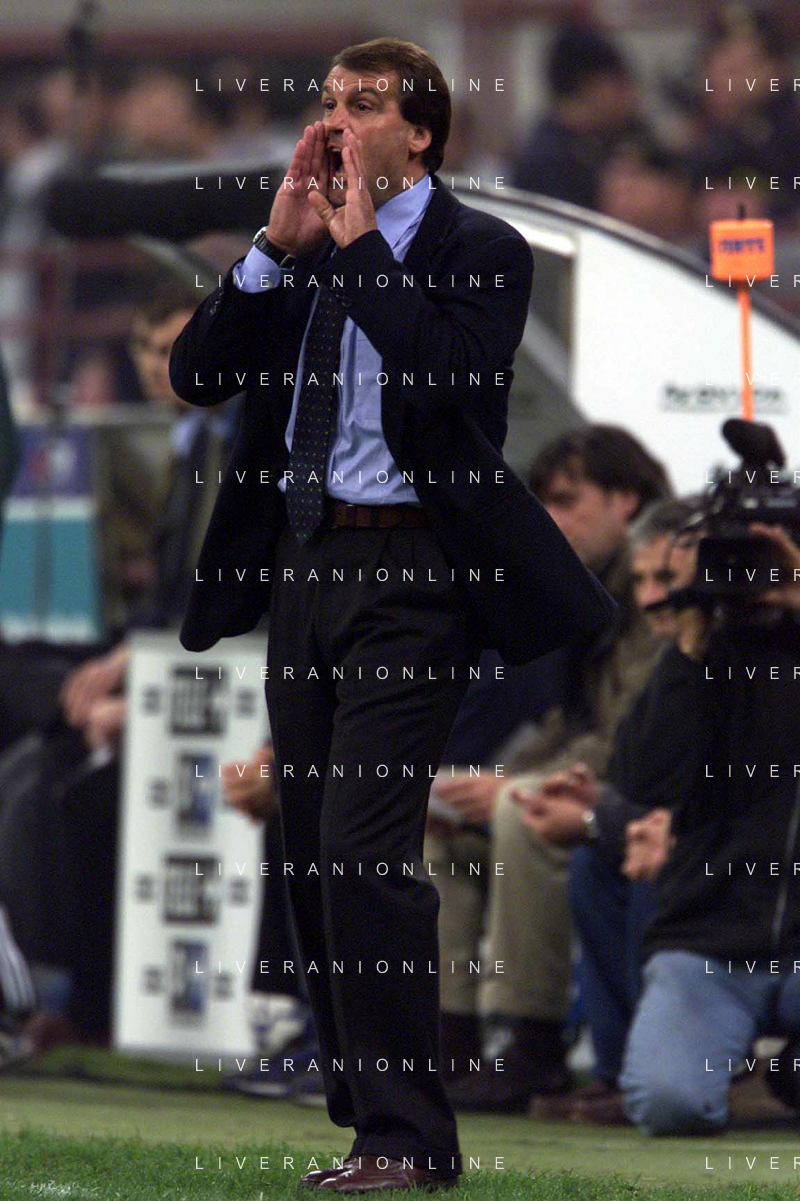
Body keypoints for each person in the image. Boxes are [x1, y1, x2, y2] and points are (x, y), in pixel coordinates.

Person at [169, 36, 613, 1195]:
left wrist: (359, 243)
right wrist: (274, 247)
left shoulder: (482, 251)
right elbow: (197, 375)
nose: (334, 120)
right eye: (326, 101)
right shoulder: (305, 249)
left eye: (361, 104)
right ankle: (370, 1114)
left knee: (365, 850)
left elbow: (439, 378)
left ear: (419, 134)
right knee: (313, 852)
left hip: (414, 571)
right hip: (303, 563)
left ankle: (409, 1137)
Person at [432, 425, 669, 1113]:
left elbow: (632, 734)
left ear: (625, 500)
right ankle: (450, 1039)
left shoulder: (659, 582)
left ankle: (533, 1045)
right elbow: (570, 722)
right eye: (542, 503)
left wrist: (507, 786)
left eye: (567, 500)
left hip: (645, 794)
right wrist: (475, 784)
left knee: (520, 811)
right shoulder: (584, 586)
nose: (550, 519)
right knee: (441, 823)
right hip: (598, 775)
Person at [517, 498, 699, 1123]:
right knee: (597, 863)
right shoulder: (674, 661)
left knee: (649, 864)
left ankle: (666, 1066)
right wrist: (598, 804)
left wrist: (603, 818)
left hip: (746, 880)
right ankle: (615, 1071)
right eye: (642, 579)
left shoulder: (751, 660)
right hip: (699, 855)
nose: (649, 599)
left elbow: (717, 806)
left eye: (667, 579)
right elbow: (639, 774)